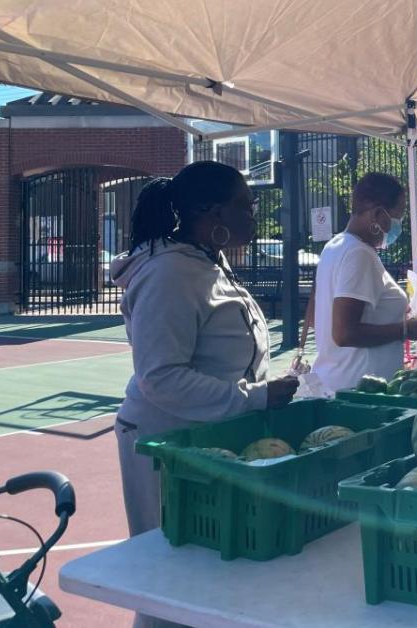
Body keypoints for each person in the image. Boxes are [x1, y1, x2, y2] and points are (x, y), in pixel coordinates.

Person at [111, 161, 298, 628]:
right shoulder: (169, 273)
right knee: (170, 577)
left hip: (206, 439)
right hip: (164, 445)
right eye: (246, 207)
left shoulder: (207, 263)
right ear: (210, 213)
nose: (255, 216)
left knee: (207, 567)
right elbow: (161, 376)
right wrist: (254, 398)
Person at [311, 172, 417, 392]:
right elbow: (344, 333)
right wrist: (404, 330)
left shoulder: (336, 245)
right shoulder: (358, 253)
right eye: (397, 216)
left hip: (342, 382)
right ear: (377, 214)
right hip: (358, 389)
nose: (398, 225)